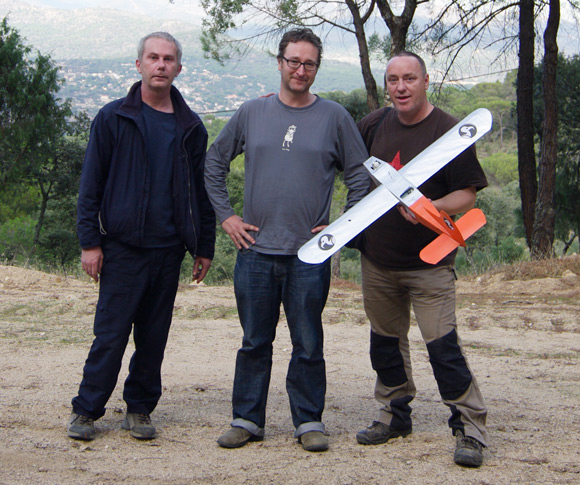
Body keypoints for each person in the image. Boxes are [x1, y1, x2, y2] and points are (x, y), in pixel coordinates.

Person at [204, 28, 369, 452]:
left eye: (309, 63)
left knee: (308, 342)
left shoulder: (335, 117)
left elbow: (359, 177)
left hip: (310, 256)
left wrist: (342, 228)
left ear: (317, 68)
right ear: (279, 63)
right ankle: (246, 419)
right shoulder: (251, 113)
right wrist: (227, 217)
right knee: (254, 341)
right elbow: (214, 162)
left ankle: (309, 421)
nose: (300, 69)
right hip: (255, 251)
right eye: (293, 61)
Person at [68, 32, 216, 441]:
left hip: (168, 250)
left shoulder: (190, 127)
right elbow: (90, 187)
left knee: (153, 337)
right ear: (139, 65)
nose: (161, 65)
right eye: (153, 57)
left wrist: (204, 245)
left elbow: (199, 192)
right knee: (110, 335)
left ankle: (140, 408)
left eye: (168, 59)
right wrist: (90, 242)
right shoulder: (113, 118)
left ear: (178, 69)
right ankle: (87, 410)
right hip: (121, 248)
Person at [355, 51, 489, 467]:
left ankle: (470, 427)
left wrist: (433, 206)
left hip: (430, 265)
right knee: (384, 344)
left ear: (426, 80)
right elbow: (337, 149)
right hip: (378, 259)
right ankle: (393, 414)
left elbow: (468, 192)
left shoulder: (449, 130)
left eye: (409, 78)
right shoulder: (374, 123)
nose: (400, 87)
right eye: (393, 79)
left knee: (443, 347)